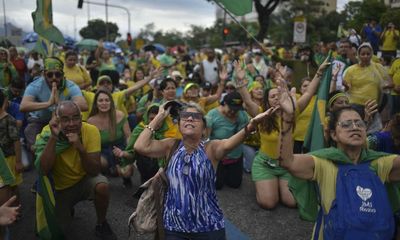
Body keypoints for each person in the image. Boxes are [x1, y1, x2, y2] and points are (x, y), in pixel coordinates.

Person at [133, 102, 275, 239]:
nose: (190, 118)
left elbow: (229, 143)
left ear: (204, 129)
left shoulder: (211, 148)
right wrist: (158, 118)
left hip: (207, 225)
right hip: (173, 226)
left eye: (196, 117)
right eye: (185, 116)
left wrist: (251, 125)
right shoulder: (170, 145)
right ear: (179, 125)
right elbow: (140, 146)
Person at [278, 101, 400, 239]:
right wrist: (287, 117)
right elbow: (287, 161)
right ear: (334, 135)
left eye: (359, 124)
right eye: (346, 124)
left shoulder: (379, 163)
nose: (355, 127)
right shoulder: (324, 162)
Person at [236, 58, 329, 209]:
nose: (276, 98)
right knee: (269, 203)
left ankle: (275, 185)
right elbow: (247, 100)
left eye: (279, 95)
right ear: (266, 101)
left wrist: (319, 73)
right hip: (265, 164)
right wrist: (241, 81)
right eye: (272, 96)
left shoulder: (293, 112)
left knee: (291, 202)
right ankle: (264, 185)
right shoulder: (261, 114)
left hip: (286, 165)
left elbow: (309, 92)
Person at [35, 101, 116, 239]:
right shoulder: (47, 132)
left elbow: (94, 170)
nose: (71, 124)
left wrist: (81, 149)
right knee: (57, 233)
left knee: (102, 185)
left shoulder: (90, 130)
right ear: (58, 120)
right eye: (65, 119)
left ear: (81, 117)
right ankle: (67, 209)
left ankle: (102, 223)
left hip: (84, 180)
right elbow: (43, 169)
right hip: (59, 189)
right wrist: (54, 137)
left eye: (75, 118)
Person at [20, 57, 88, 153]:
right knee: (34, 144)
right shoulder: (35, 86)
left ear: (63, 75)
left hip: (63, 120)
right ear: (44, 74)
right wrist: (48, 103)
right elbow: (23, 106)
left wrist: (59, 103)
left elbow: (84, 106)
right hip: (39, 120)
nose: (54, 78)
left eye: (58, 74)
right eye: (50, 74)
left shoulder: (70, 86)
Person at [206, 92, 250, 189]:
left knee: (234, 184)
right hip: (218, 156)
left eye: (237, 110)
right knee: (216, 185)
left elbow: (245, 135)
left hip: (235, 155)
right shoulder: (212, 115)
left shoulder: (242, 115)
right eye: (231, 109)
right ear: (224, 103)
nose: (233, 112)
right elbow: (206, 139)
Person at [88, 89, 131, 181]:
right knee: (99, 163)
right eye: (100, 100)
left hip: (121, 148)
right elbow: (90, 146)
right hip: (102, 151)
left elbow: (128, 137)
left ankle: (123, 173)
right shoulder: (91, 121)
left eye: (107, 100)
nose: (104, 103)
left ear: (111, 102)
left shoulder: (120, 115)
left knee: (127, 173)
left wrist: (127, 153)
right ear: (96, 103)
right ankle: (103, 176)